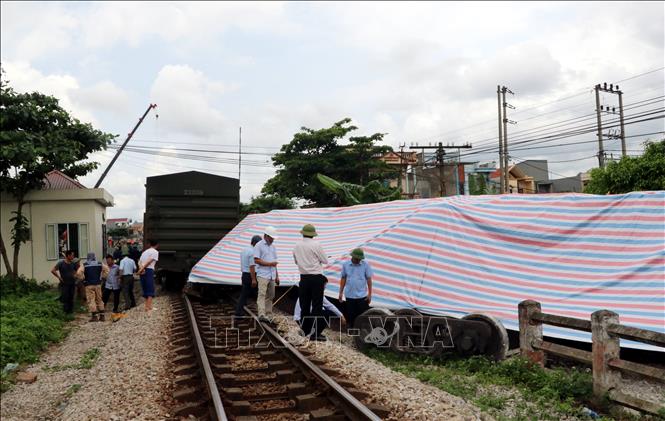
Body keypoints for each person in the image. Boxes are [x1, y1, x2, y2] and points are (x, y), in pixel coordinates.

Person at [292, 224, 329, 340]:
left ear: (302, 233)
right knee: (317, 305)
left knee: (305, 305)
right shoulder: (316, 245)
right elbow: (325, 260)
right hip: (316, 278)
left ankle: (305, 330)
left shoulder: (296, 246)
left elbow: (296, 261)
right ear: (313, 235)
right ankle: (315, 333)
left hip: (304, 278)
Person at [338, 248, 373, 328]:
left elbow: (369, 279)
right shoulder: (345, 265)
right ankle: (352, 330)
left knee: (363, 314)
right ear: (352, 257)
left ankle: (363, 330)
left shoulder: (365, 265)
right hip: (349, 295)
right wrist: (340, 292)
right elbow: (343, 278)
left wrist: (370, 294)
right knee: (351, 314)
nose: (358, 260)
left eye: (359, 259)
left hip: (362, 295)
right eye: (357, 259)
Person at [253, 227, 279, 323]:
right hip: (263, 274)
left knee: (271, 295)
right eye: (271, 238)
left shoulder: (273, 247)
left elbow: (274, 262)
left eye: (273, 238)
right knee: (262, 294)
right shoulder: (259, 245)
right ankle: (261, 314)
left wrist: (277, 276)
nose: (272, 239)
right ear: (266, 236)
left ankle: (268, 313)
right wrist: (270, 264)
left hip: (272, 275)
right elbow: (256, 260)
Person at [235, 235, 262, 318]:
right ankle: (239, 312)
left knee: (245, 293)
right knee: (252, 294)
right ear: (255, 243)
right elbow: (252, 266)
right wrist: (254, 279)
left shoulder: (244, 250)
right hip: (250, 275)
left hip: (244, 274)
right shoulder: (253, 252)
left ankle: (241, 310)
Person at [83, 252, 105, 322]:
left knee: (91, 300)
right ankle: (102, 316)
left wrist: (83, 279)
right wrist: (102, 277)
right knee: (99, 299)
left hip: (89, 284)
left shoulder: (85, 264)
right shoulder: (99, 263)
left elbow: (79, 273)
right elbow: (107, 270)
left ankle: (94, 317)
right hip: (98, 284)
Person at [138, 239, 159, 312]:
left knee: (145, 288)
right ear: (157, 245)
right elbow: (149, 261)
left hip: (142, 271)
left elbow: (139, 261)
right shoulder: (155, 252)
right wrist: (143, 268)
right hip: (148, 270)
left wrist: (141, 269)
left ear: (150, 244)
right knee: (150, 288)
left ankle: (147, 307)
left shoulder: (144, 252)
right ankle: (148, 307)